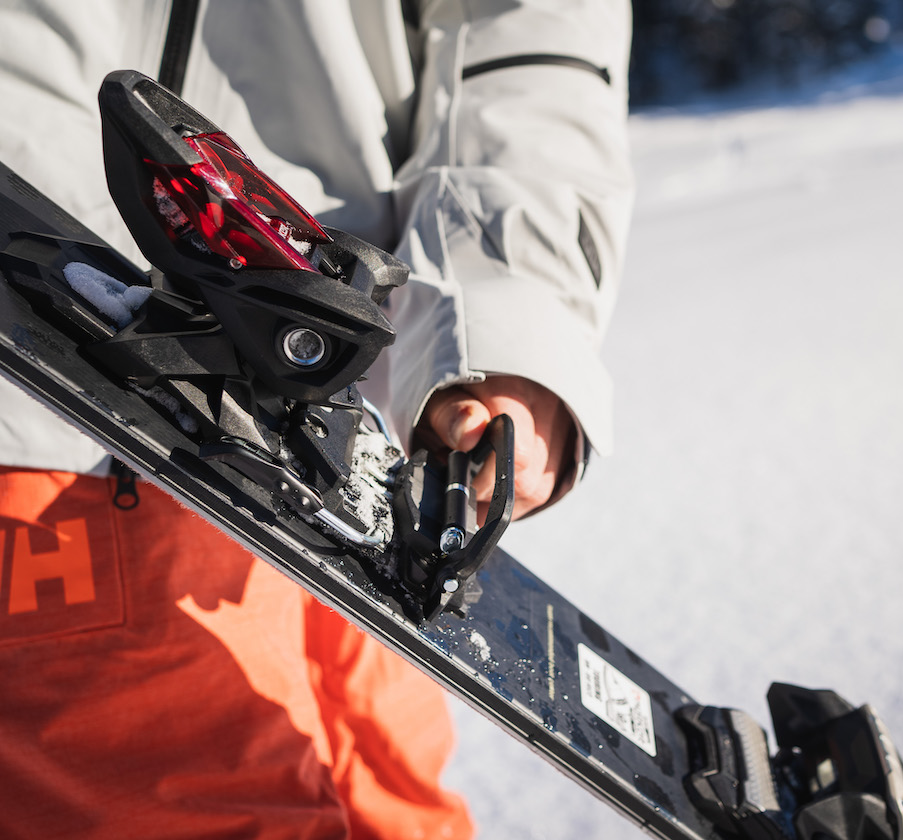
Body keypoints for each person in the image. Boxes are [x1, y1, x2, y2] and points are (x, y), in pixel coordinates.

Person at [0, 1, 633, 837]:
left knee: (398, 809)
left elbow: (525, 32)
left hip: (343, 443)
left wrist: (513, 306)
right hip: (52, 410)